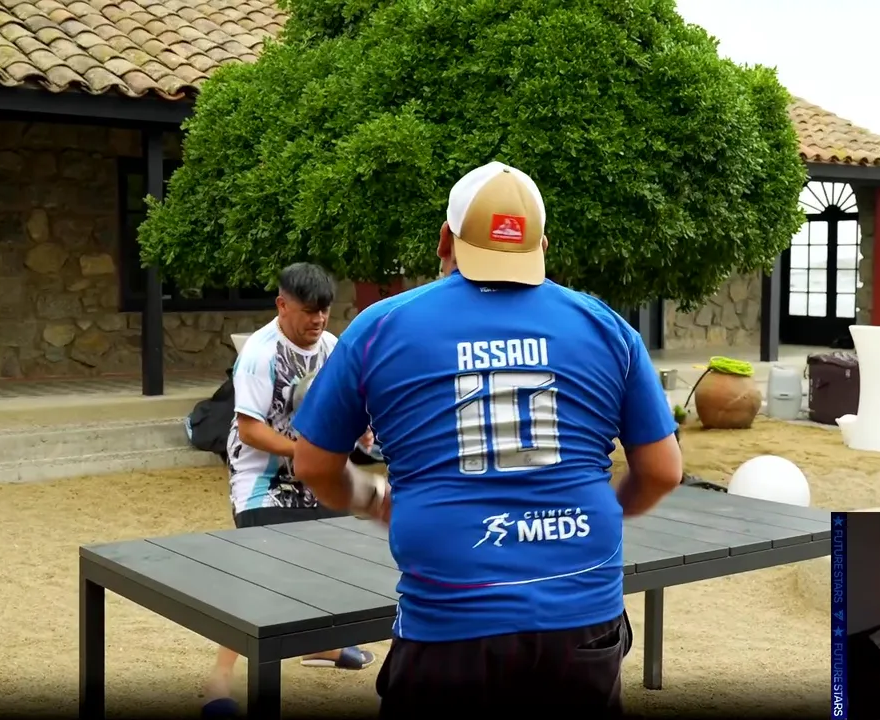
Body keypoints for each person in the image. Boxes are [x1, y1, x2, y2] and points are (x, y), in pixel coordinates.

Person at [292, 161, 684, 716]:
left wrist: (373, 498)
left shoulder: (381, 328)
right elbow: (663, 471)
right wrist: (604, 510)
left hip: (450, 617)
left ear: (445, 241)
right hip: (581, 612)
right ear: (542, 247)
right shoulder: (607, 328)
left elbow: (313, 464)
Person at [202, 262, 375, 716]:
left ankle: (322, 646)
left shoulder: (333, 348)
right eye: (308, 311)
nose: (318, 320)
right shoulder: (260, 354)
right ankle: (218, 683)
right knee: (261, 574)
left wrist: (362, 430)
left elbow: (347, 406)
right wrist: (306, 452)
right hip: (262, 481)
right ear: (282, 305)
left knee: (340, 557)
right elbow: (250, 429)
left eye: (324, 310)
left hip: (318, 475)